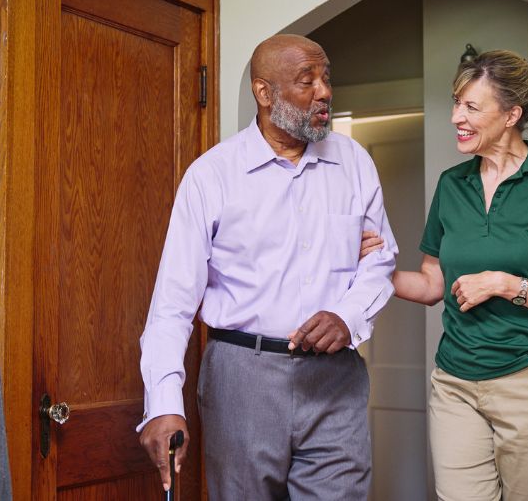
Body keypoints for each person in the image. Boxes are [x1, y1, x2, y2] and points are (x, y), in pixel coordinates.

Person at [138, 34, 398, 499]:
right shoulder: (211, 176)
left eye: (326, 78)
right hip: (242, 378)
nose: (325, 92)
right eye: (307, 81)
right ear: (264, 92)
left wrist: (349, 316)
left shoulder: (355, 163)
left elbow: (380, 259)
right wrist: (162, 403)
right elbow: (172, 305)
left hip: (335, 381)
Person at [361, 50, 528, 501]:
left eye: (471, 107)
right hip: (455, 383)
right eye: (457, 103)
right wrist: (373, 270)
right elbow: (433, 285)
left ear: (512, 115)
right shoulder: (453, 185)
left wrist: (505, 284)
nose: (456, 117)